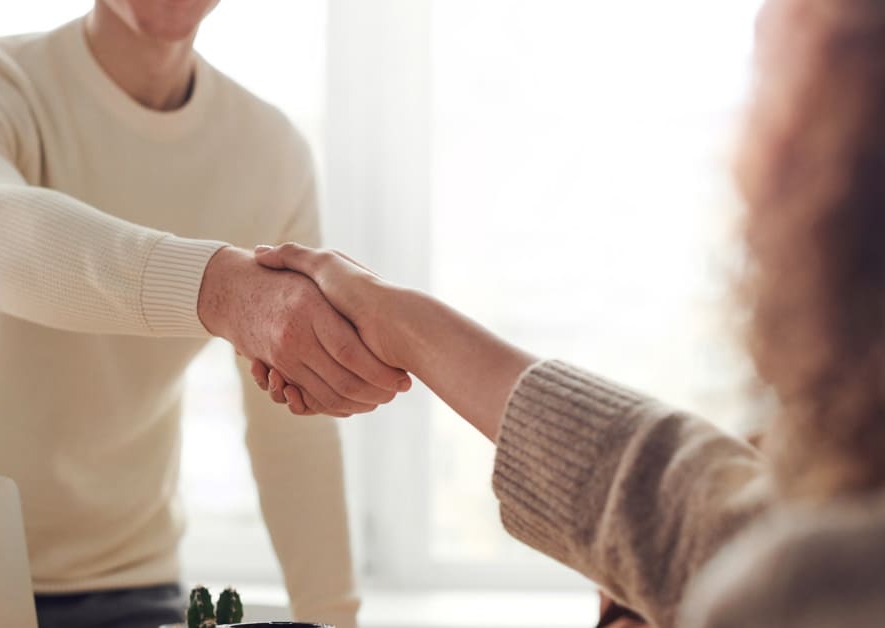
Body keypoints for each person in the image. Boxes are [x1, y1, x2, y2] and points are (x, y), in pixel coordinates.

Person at [248, 0, 885, 625]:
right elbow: (706, 518)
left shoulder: (804, 589)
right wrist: (406, 326)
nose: (737, 156)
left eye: (770, 88)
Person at [0, 1, 410, 626]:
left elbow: (291, 423)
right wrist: (220, 291)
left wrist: (333, 616)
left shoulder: (269, 150)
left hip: (128, 587)